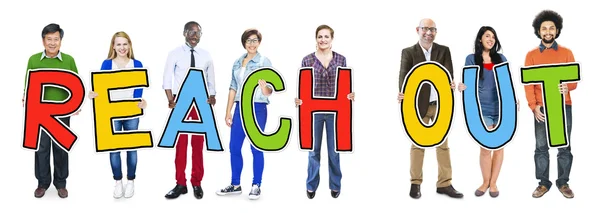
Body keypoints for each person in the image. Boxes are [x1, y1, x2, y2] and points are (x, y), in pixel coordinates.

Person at [397, 18, 463, 199]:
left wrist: (452, 84)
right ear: (418, 29)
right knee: (417, 145)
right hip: (419, 106)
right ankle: (415, 183)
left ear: (436, 32)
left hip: (440, 106)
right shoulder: (409, 52)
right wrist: (402, 93)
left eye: (432, 29)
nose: (429, 32)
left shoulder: (443, 50)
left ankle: (445, 184)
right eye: (425, 29)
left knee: (443, 145)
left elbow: (448, 75)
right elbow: (403, 77)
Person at [295, 24, 355, 199]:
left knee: (334, 151)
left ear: (332, 39)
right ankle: (311, 185)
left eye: (326, 36)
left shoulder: (341, 60)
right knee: (313, 151)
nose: (323, 40)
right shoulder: (307, 60)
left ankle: (335, 185)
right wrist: (299, 99)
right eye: (320, 36)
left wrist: (350, 95)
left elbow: (344, 85)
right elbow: (303, 85)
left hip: (336, 113)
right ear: (316, 39)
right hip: (313, 113)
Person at [459, 26, 519, 198]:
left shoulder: (501, 58)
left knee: (499, 146)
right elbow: (468, 82)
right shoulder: (471, 58)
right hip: (481, 109)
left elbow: (507, 82)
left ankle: (493, 183)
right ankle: (485, 181)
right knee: (485, 147)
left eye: (493, 36)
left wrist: (514, 100)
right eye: (487, 36)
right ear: (480, 39)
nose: (491, 39)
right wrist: (462, 87)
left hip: (501, 108)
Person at [87, 31, 148, 199]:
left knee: (131, 148)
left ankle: (131, 181)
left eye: (125, 44)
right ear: (113, 46)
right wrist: (93, 94)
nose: (122, 47)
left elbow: (139, 92)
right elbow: (100, 88)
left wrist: (143, 103)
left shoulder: (137, 64)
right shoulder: (107, 64)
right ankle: (118, 182)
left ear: (129, 46)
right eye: (118, 44)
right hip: (111, 113)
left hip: (130, 112)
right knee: (113, 149)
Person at [23, 23, 80, 199]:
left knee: (61, 148)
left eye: (56, 39)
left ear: (61, 41)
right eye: (49, 39)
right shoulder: (33, 60)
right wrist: (26, 97)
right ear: (43, 41)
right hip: (39, 113)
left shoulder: (69, 60)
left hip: (62, 113)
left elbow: (77, 84)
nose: (52, 43)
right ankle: (42, 183)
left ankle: (61, 184)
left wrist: (76, 104)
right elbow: (28, 83)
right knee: (41, 149)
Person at [215, 28, 273, 200]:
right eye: (248, 40)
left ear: (259, 42)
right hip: (240, 107)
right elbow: (233, 88)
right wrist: (228, 111)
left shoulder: (264, 61)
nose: (252, 44)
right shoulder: (237, 62)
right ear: (244, 43)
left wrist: (264, 88)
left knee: (256, 147)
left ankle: (256, 185)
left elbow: (270, 89)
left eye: (255, 40)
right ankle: (235, 184)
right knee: (234, 147)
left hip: (257, 107)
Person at [525, 10, 577, 199]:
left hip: (563, 106)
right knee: (541, 147)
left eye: (551, 28)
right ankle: (543, 183)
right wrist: (533, 106)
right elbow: (528, 84)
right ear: (538, 31)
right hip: (541, 107)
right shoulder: (531, 55)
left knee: (564, 146)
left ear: (557, 30)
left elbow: (573, 81)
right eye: (544, 28)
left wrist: (567, 87)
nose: (548, 31)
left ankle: (563, 183)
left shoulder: (566, 52)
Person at [163, 21, 216, 199]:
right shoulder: (175, 54)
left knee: (198, 146)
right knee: (181, 145)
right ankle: (180, 184)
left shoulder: (206, 55)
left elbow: (210, 79)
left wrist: (213, 96)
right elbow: (167, 78)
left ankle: (197, 183)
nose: (195, 36)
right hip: (182, 103)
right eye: (191, 32)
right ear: (184, 33)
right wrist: (170, 99)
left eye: (198, 33)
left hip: (200, 103)